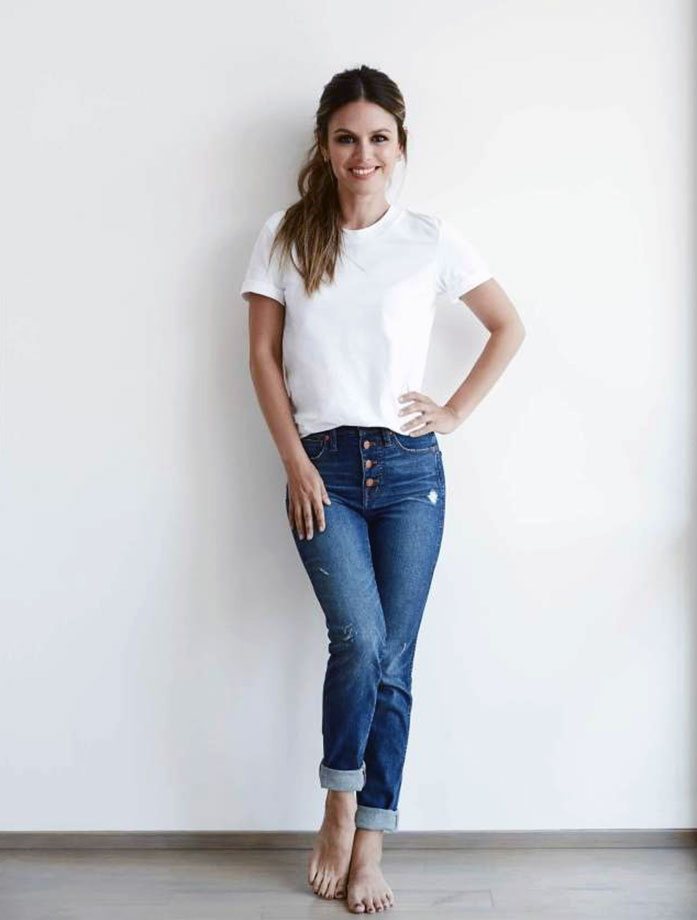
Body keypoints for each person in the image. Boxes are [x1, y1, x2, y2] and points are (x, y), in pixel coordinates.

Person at [239, 65, 525, 915]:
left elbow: (507, 326)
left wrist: (453, 411)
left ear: (398, 147)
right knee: (359, 641)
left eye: (377, 139)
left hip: (409, 473)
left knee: (394, 661)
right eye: (345, 138)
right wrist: (294, 461)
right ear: (324, 146)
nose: (361, 154)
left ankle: (369, 840)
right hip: (321, 464)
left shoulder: (430, 239)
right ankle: (337, 803)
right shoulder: (286, 235)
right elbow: (261, 358)